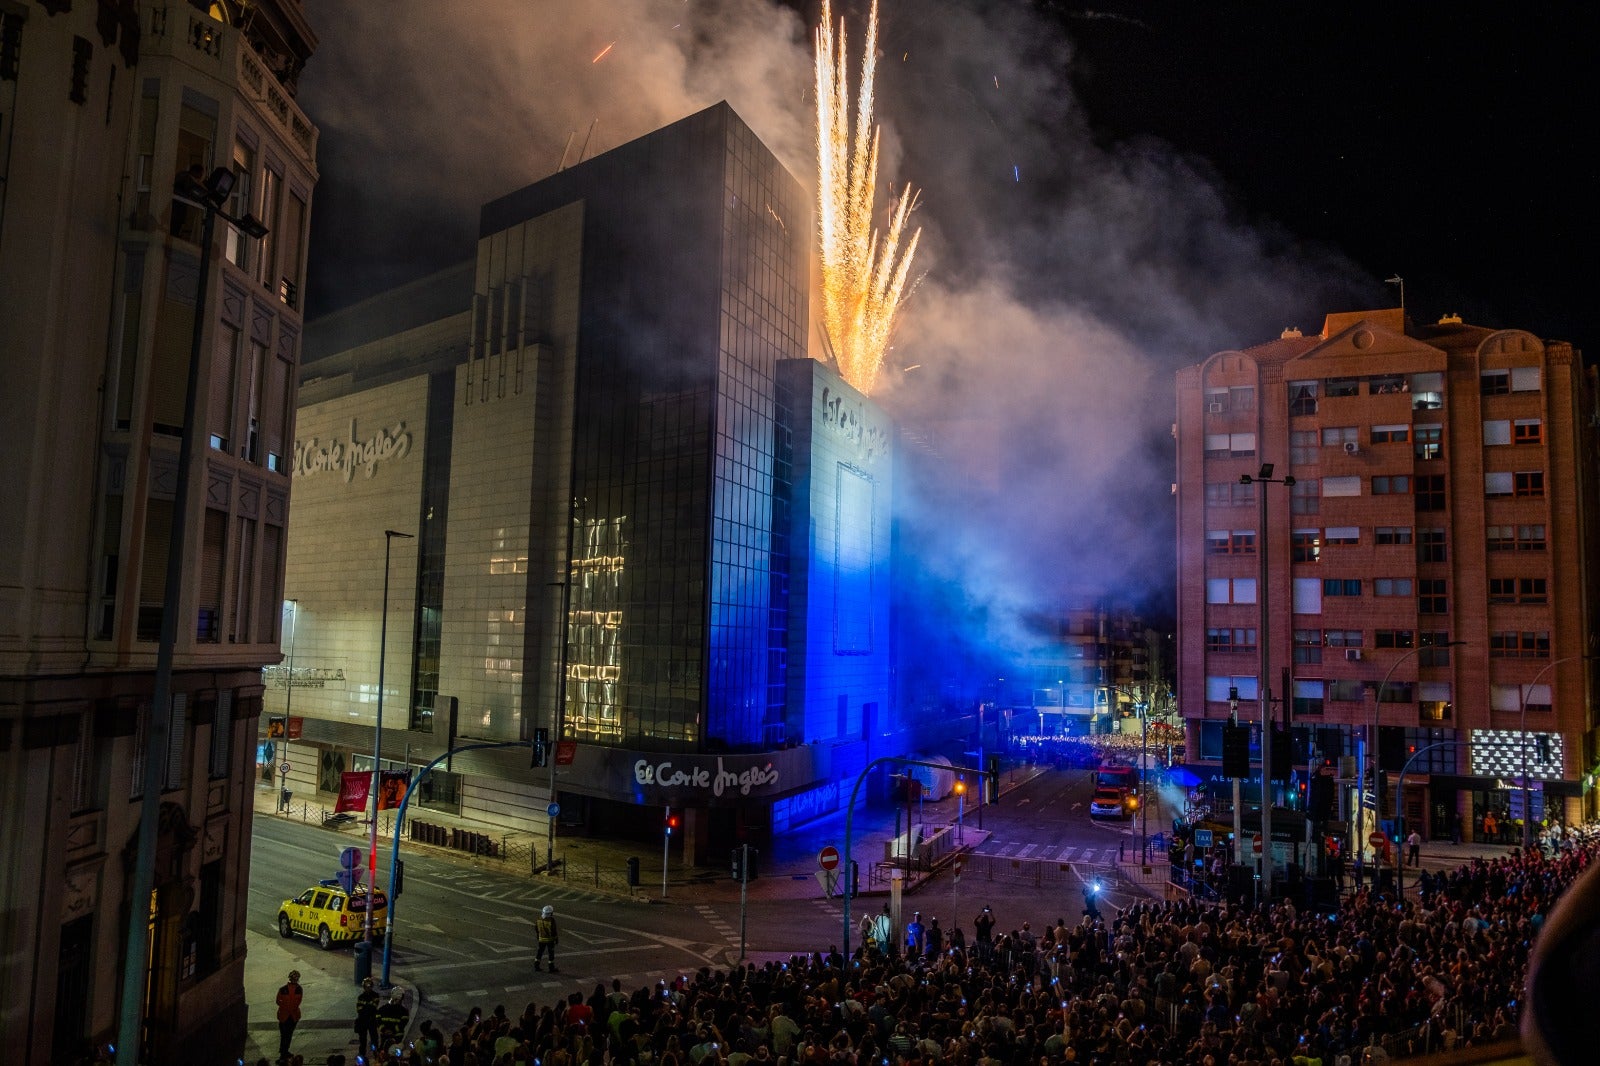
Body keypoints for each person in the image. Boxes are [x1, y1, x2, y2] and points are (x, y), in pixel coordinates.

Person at [275, 970, 303, 1064]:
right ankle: (284, 1052)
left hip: (284, 1015)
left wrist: (285, 1007)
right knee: (288, 1034)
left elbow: (278, 1001)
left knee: (284, 1035)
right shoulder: (299, 989)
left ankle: (283, 1052)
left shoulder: (283, 989)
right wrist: (290, 1008)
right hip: (293, 1016)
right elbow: (298, 1002)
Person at [376, 987, 410, 1053]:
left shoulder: (382, 1009)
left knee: (382, 1052)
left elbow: (378, 1022)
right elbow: (402, 1024)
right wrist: (393, 1031)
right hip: (397, 1038)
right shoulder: (404, 1011)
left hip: (385, 1036)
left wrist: (384, 1030)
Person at [354, 975, 380, 1061]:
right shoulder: (360, 997)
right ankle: (362, 1055)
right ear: (364, 987)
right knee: (362, 1041)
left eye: (369, 986)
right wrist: (368, 1007)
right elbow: (359, 1010)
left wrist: (365, 1007)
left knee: (374, 1039)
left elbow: (373, 1007)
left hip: (371, 1021)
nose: (368, 988)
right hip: (363, 1021)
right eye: (366, 986)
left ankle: (376, 1055)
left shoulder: (376, 995)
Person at [536, 904, 560, 972]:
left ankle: (536, 966)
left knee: (539, 952)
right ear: (550, 913)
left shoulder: (538, 919)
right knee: (551, 954)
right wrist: (556, 939)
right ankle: (551, 968)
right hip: (550, 940)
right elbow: (553, 931)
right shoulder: (551, 920)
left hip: (541, 939)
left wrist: (538, 936)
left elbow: (536, 928)